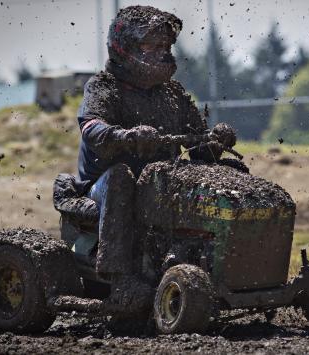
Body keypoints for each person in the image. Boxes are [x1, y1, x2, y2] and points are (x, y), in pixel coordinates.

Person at [76, 5, 235, 312]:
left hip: (157, 184)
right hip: (101, 188)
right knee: (123, 176)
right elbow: (92, 127)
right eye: (151, 46)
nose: (162, 53)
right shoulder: (103, 87)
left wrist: (217, 138)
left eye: (165, 46)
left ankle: (226, 266)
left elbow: (202, 148)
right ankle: (121, 280)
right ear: (125, 48)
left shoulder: (172, 93)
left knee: (228, 172)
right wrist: (126, 136)